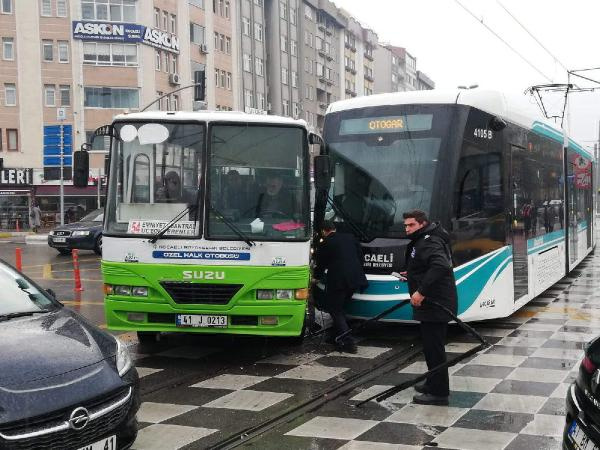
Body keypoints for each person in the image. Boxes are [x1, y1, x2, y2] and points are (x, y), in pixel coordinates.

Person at [402, 209, 457, 406]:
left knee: (435, 349)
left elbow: (441, 266)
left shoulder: (429, 241)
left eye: (411, 225)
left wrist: (421, 291)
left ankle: (439, 393)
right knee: (430, 347)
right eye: (406, 225)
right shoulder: (425, 238)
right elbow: (426, 265)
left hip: (435, 303)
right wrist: (412, 272)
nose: (407, 229)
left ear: (422, 223)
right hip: (432, 304)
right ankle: (433, 382)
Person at [314, 220, 368, 353]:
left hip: (339, 281)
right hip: (355, 278)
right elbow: (360, 257)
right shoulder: (350, 237)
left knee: (335, 310)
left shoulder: (326, 242)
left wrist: (316, 278)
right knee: (341, 308)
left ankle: (349, 342)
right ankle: (335, 336)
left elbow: (321, 263)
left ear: (323, 231)